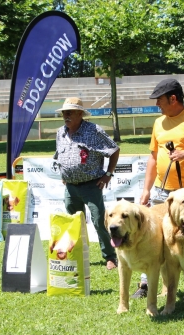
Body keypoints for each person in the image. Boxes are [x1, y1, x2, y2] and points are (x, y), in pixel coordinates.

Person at [132, 78, 184, 298]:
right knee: (156, 237)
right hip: (162, 191)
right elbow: (153, 157)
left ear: (173, 98)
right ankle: (146, 284)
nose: (157, 105)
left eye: (159, 100)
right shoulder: (158, 123)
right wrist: (146, 189)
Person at [53, 97, 120, 270]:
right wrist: (64, 173)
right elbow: (60, 154)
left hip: (92, 185)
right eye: (64, 113)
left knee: (99, 221)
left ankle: (110, 256)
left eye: (70, 112)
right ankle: (76, 253)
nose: (66, 116)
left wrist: (108, 174)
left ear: (80, 113)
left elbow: (114, 150)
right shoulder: (60, 132)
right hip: (70, 187)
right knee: (73, 223)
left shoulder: (94, 130)